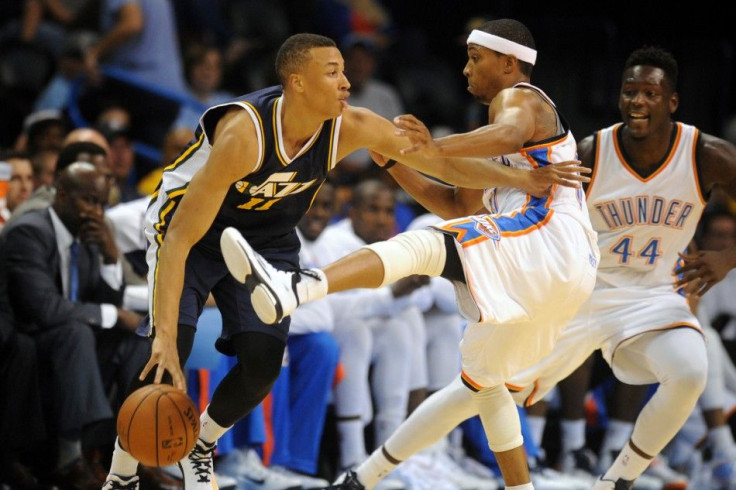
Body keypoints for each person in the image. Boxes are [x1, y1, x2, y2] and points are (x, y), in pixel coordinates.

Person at [102, 31, 588, 490]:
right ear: (297, 82)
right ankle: (121, 471)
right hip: (194, 230)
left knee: (262, 364)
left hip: (267, 237)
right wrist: (163, 335)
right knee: (166, 355)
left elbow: (434, 162)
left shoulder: (351, 125)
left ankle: (202, 443)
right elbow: (181, 238)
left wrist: (525, 179)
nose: (348, 82)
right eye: (333, 73)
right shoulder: (243, 135)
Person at [1, 162, 147, 489]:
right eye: (88, 201)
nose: (96, 212)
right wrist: (115, 314)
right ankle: (71, 457)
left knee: (138, 339)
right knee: (79, 331)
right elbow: (44, 309)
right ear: (62, 195)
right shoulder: (31, 231)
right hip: (27, 340)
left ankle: (126, 450)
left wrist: (111, 257)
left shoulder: (88, 233)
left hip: (67, 339)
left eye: (101, 203)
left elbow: (101, 295)